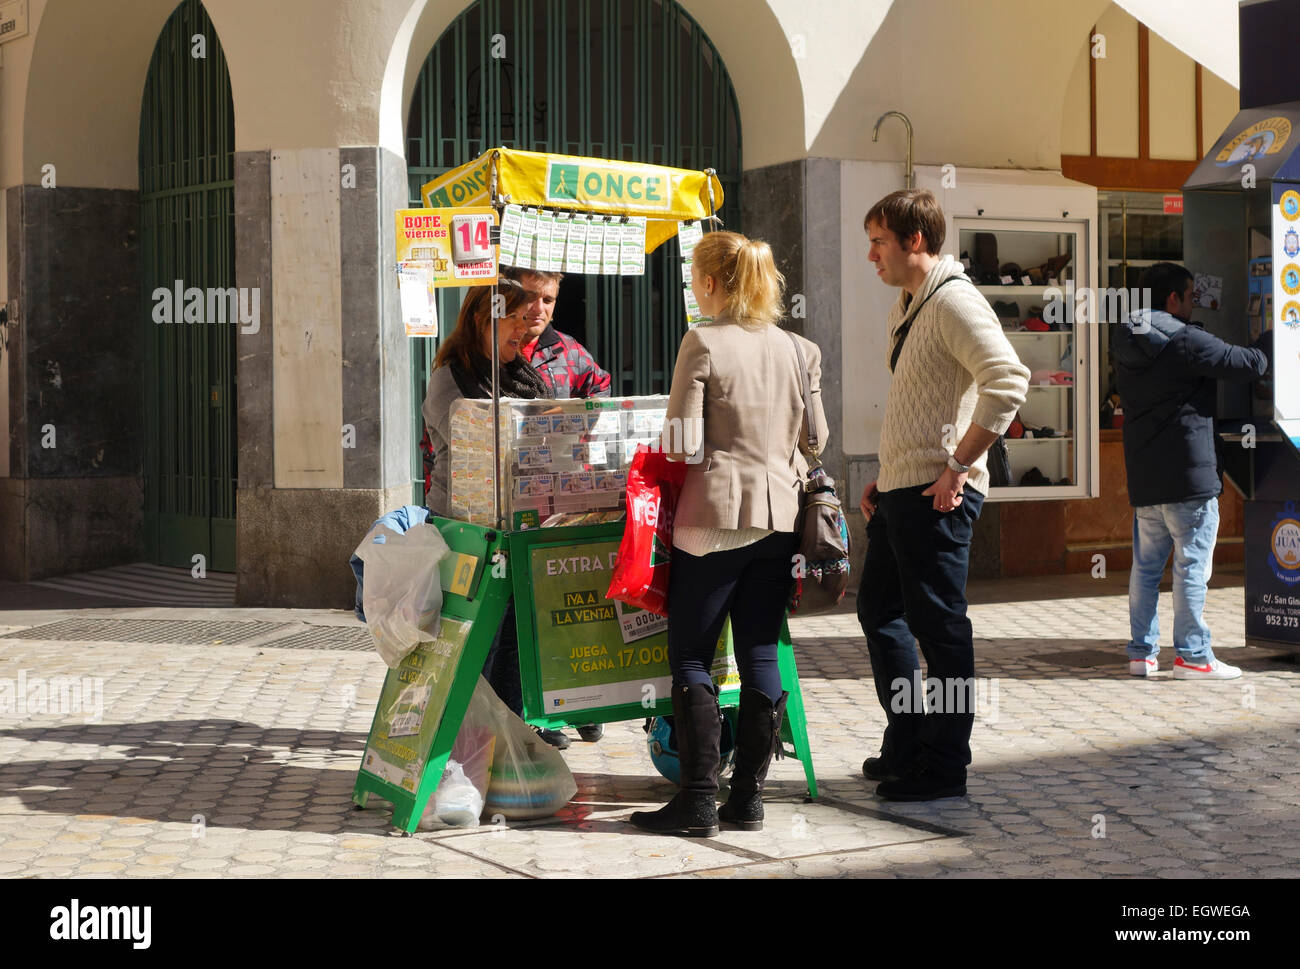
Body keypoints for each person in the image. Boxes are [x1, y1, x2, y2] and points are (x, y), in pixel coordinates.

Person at [629, 230, 828, 838]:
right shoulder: (801, 349)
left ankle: (694, 801)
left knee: (692, 655)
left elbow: (684, 442)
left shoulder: (703, 341)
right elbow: (815, 440)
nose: (693, 288)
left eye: (694, 278)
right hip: (778, 520)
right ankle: (747, 801)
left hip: (712, 521)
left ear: (712, 283)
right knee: (760, 653)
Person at [857, 189, 1029, 802]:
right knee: (879, 613)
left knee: (940, 631)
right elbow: (922, 399)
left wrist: (959, 465)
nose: (871, 255)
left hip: (939, 496)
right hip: (904, 488)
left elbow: (1008, 380)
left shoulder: (954, 300)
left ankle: (944, 764)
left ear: (916, 242)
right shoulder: (908, 304)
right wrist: (890, 469)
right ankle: (909, 740)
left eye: (879, 242)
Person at [419, 280, 570, 749]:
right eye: (517, 321)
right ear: (486, 321)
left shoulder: (522, 372)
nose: (527, 331)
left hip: (519, 523)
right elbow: (477, 446)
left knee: (516, 633)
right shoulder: (451, 378)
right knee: (475, 636)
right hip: (468, 530)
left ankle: (511, 729)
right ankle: (466, 739)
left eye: (529, 322)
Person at [1111, 262, 1271, 680]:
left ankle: (1141, 654)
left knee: (1145, 570)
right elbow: (1249, 363)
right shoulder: (1187, 342)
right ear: (1172, 299)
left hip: (1146, 479)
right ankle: (1193, 656)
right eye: (1191, 296)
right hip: (1188, 478)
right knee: (1191, 568)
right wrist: (1276, 330)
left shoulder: (1124, 337)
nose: (1194, 303)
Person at [506, 266, 611, 744]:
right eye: (530, 296)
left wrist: (581, 424)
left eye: (547, 299)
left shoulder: (567, 351)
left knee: (568, 603)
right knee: (520, 613)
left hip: (565, 499)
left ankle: (580, 704)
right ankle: (533, 715)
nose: (538, 309)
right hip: (509, 501)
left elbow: (601, 389)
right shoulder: (496, 351)